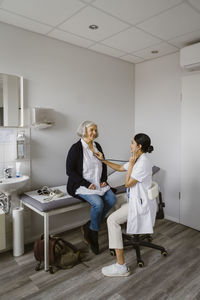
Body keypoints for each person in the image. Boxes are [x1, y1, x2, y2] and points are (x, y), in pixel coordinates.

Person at [95, 133, 155, 277]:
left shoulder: (143, 163)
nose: (130, 145)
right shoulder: (137, 158)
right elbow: (121, 167)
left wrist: (132, 165)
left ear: (139, 146)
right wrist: (103, 160)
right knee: (115, 200)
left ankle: (121, 266)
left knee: (111, 220)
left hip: (140, 205)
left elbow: (127, 183)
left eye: (132, 143)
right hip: (133, 198)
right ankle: (120, 239)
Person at [66, 121, 116, 255]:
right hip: (82, 185)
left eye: (95, 130)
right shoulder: (75, 148)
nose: (94, 132)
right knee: (98, 204)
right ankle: (94, 234)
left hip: (98, 183)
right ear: (84, 131)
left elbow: (103, 164)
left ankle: (89, 226)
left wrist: (104, 180)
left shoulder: (97, 146)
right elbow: (70, 171)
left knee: (112, 199)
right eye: (91, 130)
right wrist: (86, 184)